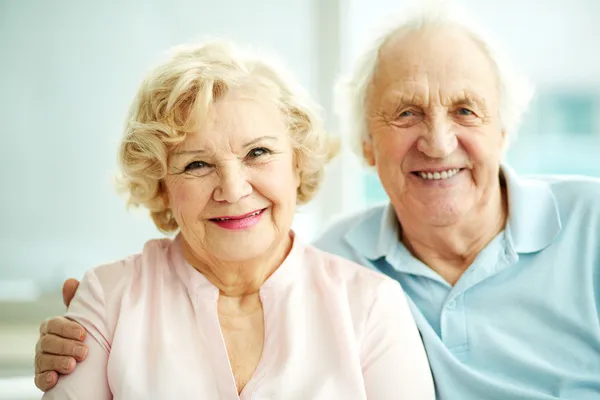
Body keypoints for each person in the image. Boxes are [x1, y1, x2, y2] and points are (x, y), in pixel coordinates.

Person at [35, 4, 600, 400]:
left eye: (466, 111)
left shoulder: (591, 225)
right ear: (364, 146)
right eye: (405, 113)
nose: (438, 141)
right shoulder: (346, 261)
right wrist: (94, 319)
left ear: (506, 130)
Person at [35, 38, 435, 399]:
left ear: (297, 163)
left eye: (258, 153)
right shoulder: (109, 299)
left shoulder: (370, 306)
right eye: (196, 164)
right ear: (162, 187)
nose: (233, 188)